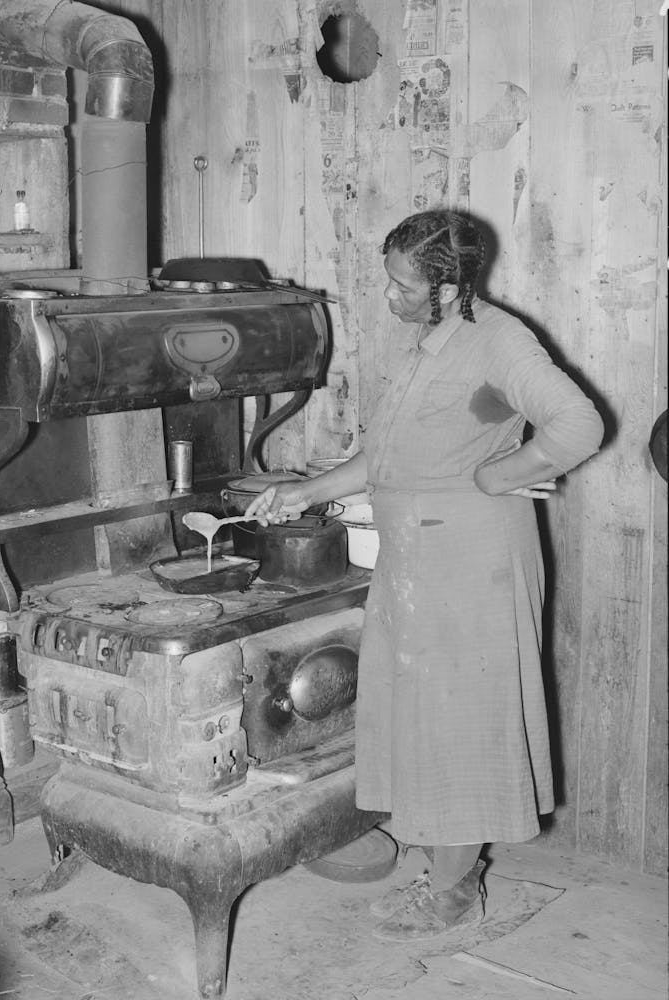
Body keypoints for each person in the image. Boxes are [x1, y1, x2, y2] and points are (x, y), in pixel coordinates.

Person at [245, 210, 604, 941]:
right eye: (390, 281)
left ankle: (451, 893)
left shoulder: (501, 342)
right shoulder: (425, 345)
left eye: (404, 286)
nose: (391, 297)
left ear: (448, 286)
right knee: (421, 720)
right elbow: (388, 454)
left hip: (476, 562)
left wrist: (500, 474)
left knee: (463, 727)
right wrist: (306, 491)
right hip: (417, 558)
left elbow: (580, 425)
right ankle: (446, 868)